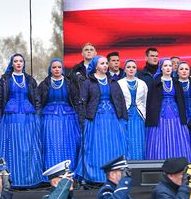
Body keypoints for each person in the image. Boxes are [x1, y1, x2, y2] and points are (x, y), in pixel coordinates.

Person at [77, 55, 127, 183]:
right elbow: (82, 103)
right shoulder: (88, 83)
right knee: (96, 147)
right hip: (95, 119)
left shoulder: (113, 82)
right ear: (95, 66)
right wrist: (83, 121)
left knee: (113, 146)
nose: (105, 65)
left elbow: (120, 100)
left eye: (106, 63)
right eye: (102, 63)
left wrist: (123, 119)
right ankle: (96, 177)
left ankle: (114, 177)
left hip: (112, 119)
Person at [0, 53, 43, 188]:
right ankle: (11, 180)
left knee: (29, 148)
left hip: (29, 118)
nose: (18, 63)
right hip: (10, 119)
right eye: (15, 61)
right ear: (11, 63)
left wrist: (38, 117)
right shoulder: (5, 79)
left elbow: (37, 100)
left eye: (20, 61)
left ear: (24, 63)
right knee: (11, 148)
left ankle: (30, 180)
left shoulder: (30, 79)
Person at [38, 58, 82, 172]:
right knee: (51, 144)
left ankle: (69, 172)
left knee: (69, 144)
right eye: (54, 67)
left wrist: (79, 116)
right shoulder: (44, 84)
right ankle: (51, 173)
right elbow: (38, 101)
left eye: (59, 67)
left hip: (68, 118)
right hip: (49, 118)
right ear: (50, 69)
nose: (57, 69)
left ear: (62, 69)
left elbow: (76, 101)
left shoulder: (70, 83)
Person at [145, 58, 191, 161]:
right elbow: (151, 102)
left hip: (175, 115)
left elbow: (181, 101)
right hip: (160, 115)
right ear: (161, 68)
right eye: (165, 66)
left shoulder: (176, 83)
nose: (168, 68)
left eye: (170, 66)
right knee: (160, 139)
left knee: (177, 138)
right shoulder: (155, 83)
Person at [117, 59, 148, 161]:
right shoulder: (119, 83)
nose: (131, 69)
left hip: (139, 116)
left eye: (133, 67)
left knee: (139, 140)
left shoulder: (142, 83)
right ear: (125, 69)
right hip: (125, 116)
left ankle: (140, 163)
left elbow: (145, 101)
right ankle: (127, 164)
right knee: (127, 140)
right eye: (129, 67)